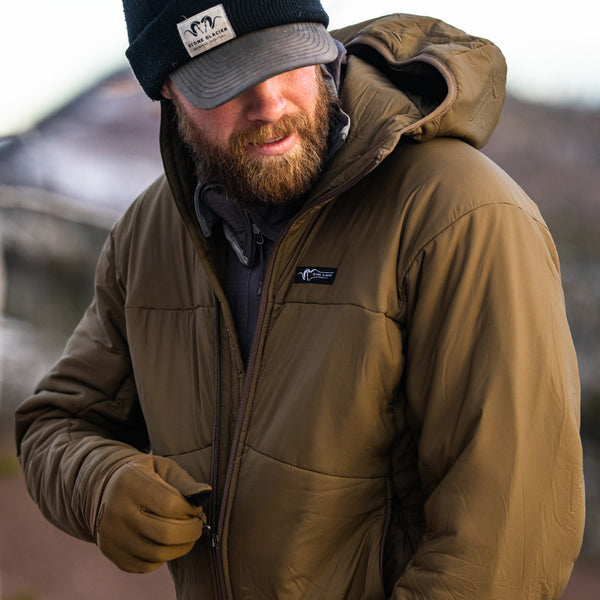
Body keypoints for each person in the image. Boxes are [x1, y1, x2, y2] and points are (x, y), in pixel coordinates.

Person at [15, 1, 585, 598]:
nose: (270, 106)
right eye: (228, 83)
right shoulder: (150, 235)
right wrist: (101, 485)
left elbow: (503, 545)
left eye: (285, 62)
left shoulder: (461, 216)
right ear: (168, 92)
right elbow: (56, 423)